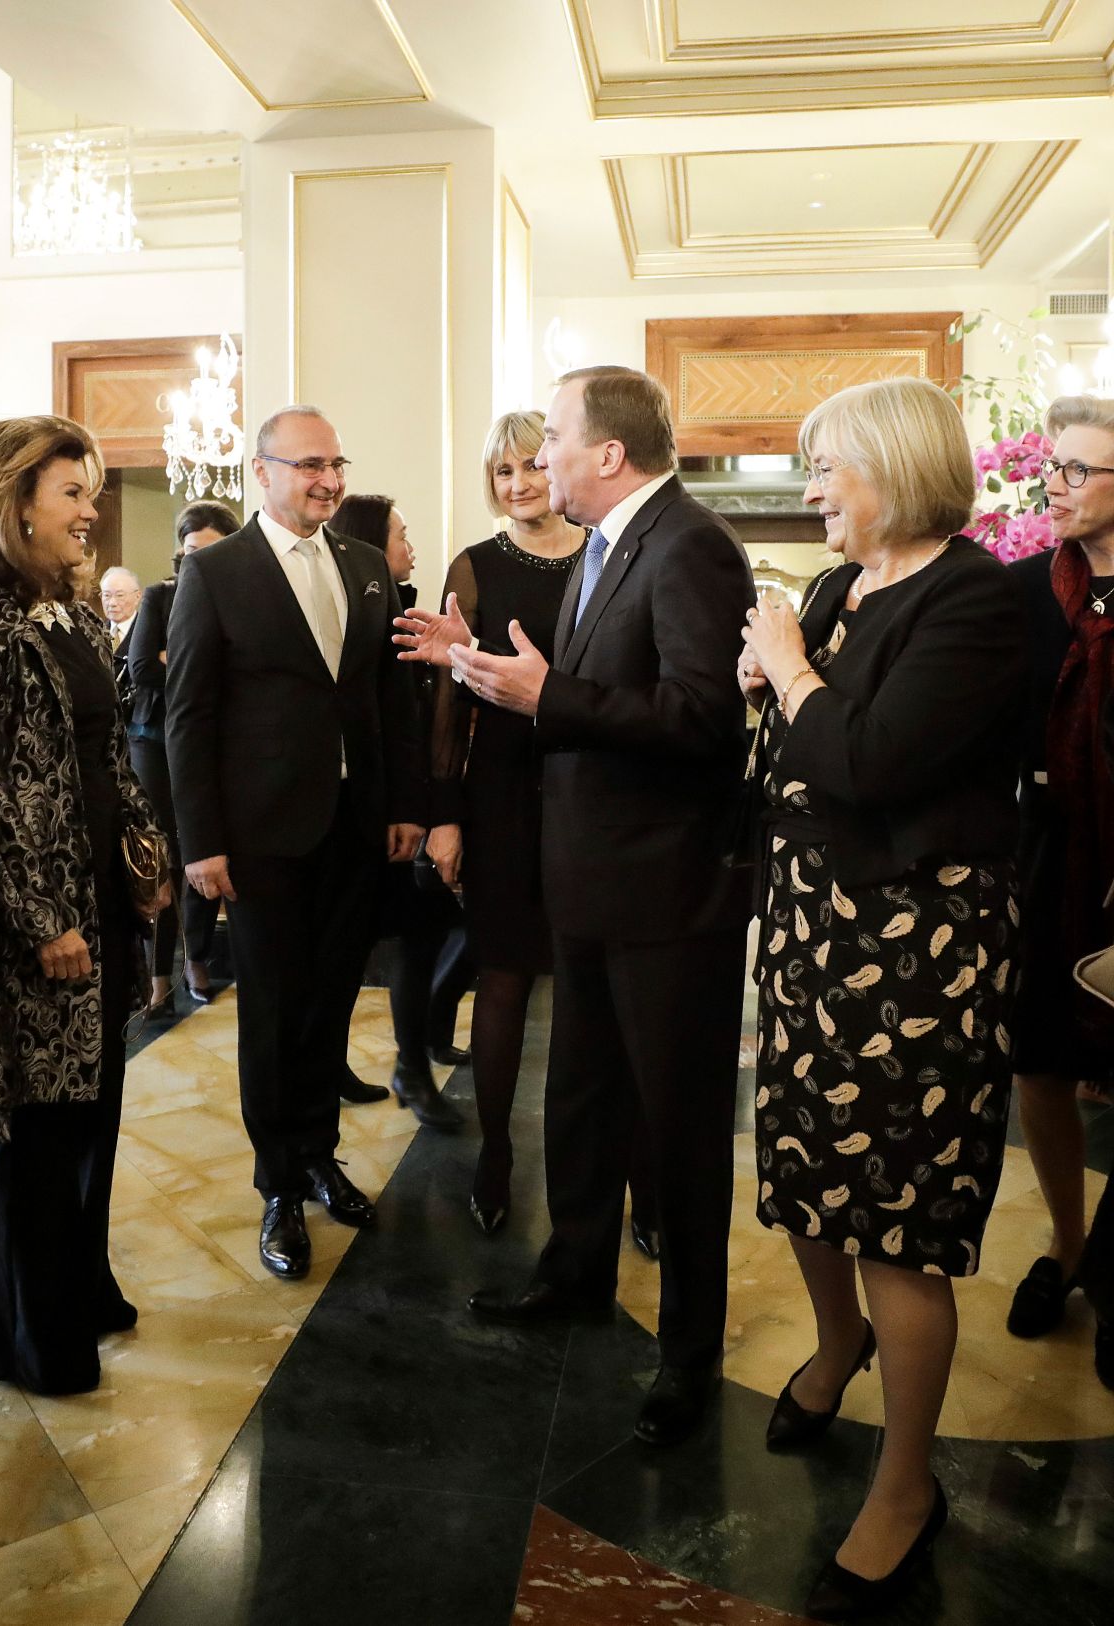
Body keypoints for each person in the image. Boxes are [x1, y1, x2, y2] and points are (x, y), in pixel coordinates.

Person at [397, 366, 752, 1446]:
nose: (540, 456)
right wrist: (491, 675)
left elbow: (701, 718)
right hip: (588, 880)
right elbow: (594, 694)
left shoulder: (689, 546)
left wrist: (546, 694)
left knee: (678, 1132)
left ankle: (687, 1353)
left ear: (607, 453)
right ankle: (575, 1273)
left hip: (665, 893)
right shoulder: (609, 546)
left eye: (553, 436)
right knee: (583, 1099)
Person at [739, 376, 1022, 1619]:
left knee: (895, 1220)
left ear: (895, 468)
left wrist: (789, 673)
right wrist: (763, 689)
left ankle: (904, 1487)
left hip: (918, 956)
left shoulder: (973, 600)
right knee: (805, 1172)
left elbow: (868, 761)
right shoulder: (832, 589)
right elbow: (792, 762)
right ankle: (834, 1343)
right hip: (811, 935)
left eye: (824, 469)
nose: (808, 493)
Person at [0, 415, 168, 1396]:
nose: (90, 510)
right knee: (41, 1127)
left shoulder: (72, 614)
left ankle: (81, 1285)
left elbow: (110, 755)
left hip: (98, 894)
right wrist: (42, 917)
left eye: (89, 491)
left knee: (92, 1107)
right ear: (12, 505)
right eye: (71, 493)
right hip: (25, 914)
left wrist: (145, 854)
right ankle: (30, 1342)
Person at [167, 405, 425, 1281]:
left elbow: (387, 699)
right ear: (263, 472)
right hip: (260, 836)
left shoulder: (364, 566)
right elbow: (189, 716)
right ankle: (277, 1185)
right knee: (275, 1012)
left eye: (336, 464)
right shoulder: (217, 572)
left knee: (329, 1003)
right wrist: (201, 842)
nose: (329, 480)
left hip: (354, 828)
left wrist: (404, 804)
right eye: (310, 465)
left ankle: (318, 1155)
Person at [419, 413, 585, 1222]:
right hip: (500, 795)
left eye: (531, 465)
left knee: (593, 987)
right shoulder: (475, 565)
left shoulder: (604, 553)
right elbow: (448, 706)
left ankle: (607, 1166)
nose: (519, 484)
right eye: (502, 472)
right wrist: (444, 816)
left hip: (588, 787)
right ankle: (496, 1153)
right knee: (503, 976)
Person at [1005, 394, 1114, 1381]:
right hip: (1047, 856)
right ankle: (1068, 1243)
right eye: (1054, 466)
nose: (1056, 485)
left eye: (1080, 470)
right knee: (1036, 1061)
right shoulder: (1024, 592)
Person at [328, 491, 464, 1128]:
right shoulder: (364, 618)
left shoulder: (406, 609)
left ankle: (412, 1062)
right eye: (401, 535)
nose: (411, 547)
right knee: (360, 945)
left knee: (420, 933)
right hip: (370, 813)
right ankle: (372, 1065)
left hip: (405, 807)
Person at [125, 500, 241, 1014]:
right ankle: (158, 977)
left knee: (207, 844)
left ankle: (197, 957)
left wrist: (181, 658)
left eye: (209, 550)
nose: (198, 560)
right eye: (191, 550)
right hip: (154, 738)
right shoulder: (160, 595)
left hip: (217, 739)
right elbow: (142, 668)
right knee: (164, 856)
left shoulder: (242, 594)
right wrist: (201, 666)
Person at [100, 565, 142, 649]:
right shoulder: (96, 633)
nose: (112, 603)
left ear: (137, 597)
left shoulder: (148, 632)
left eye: (120, 595)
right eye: (107, 595)